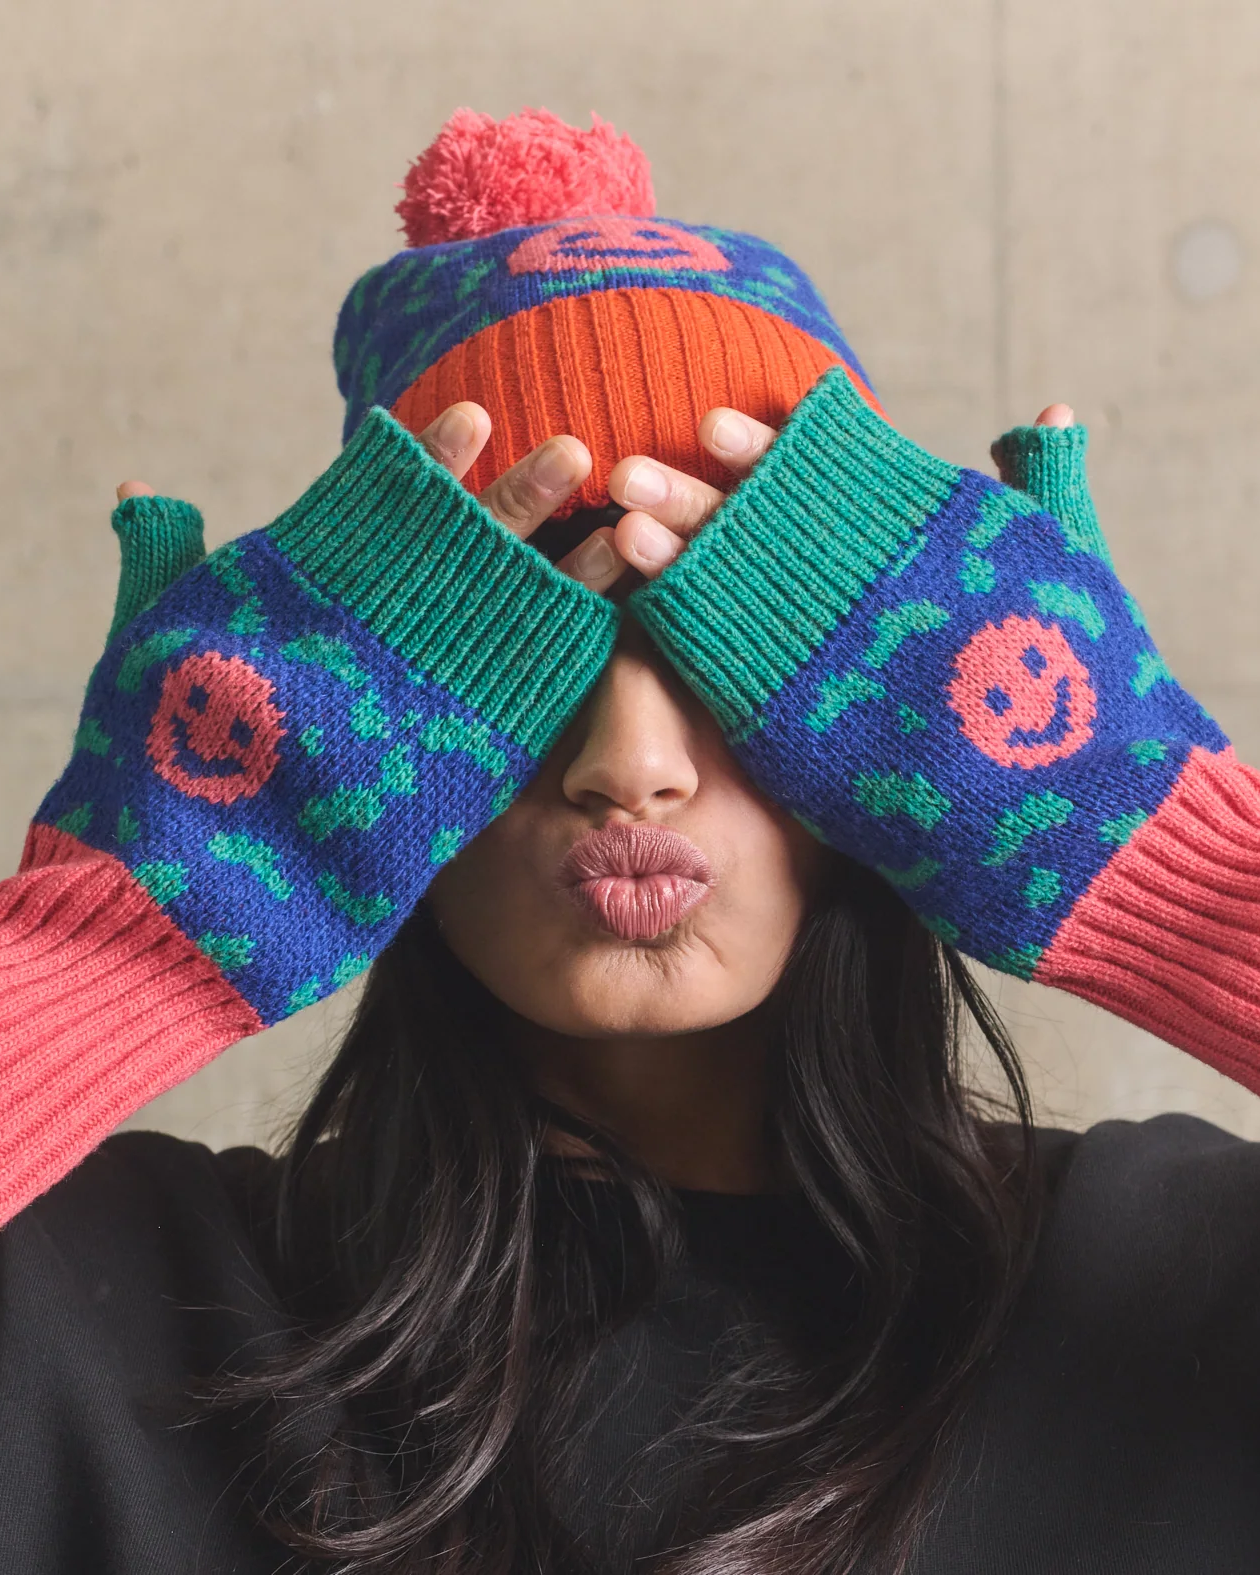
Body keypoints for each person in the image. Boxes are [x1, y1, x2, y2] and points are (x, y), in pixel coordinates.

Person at [1, 106, 1258, 1575]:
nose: (630, 764)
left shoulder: (1177, 1273)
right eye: (512, 649)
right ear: (326, 730)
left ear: (925, 723)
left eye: (739, 649)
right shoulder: (103, 1304)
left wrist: (1168, 857)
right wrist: (118, 941)